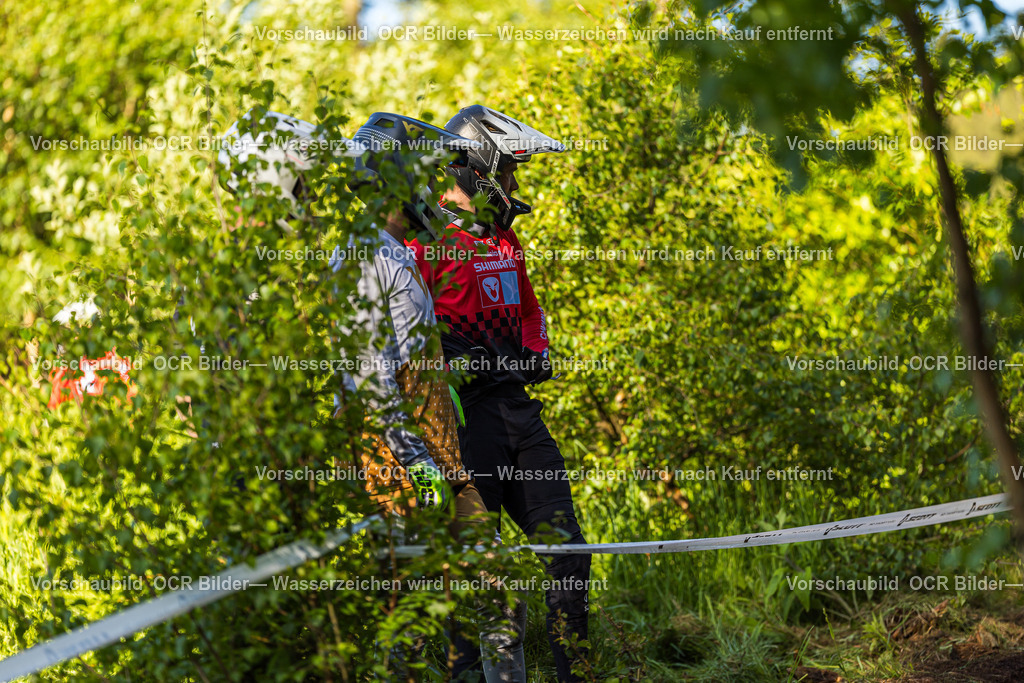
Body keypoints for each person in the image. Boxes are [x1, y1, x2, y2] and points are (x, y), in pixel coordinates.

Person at [336, 111, 527, 682]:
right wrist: (415, 463)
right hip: (398, 467)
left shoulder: (399, 251)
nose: (431, 189)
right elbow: (369, 377)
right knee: (412, 625)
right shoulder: (366, 257)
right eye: (422, 177)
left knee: (500, 594)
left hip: (443, 462)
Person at [409, 104, 591, 682]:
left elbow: (531, 313)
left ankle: (575, 674)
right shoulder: (426, 242)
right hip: (467, 426)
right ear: (477, 170)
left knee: (569, 555)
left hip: (520, 413)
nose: (513, 184)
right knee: (476, 576)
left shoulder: (506, 240)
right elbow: (402, 332)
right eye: (508, 171)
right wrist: (450, 358)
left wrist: (537, 351)